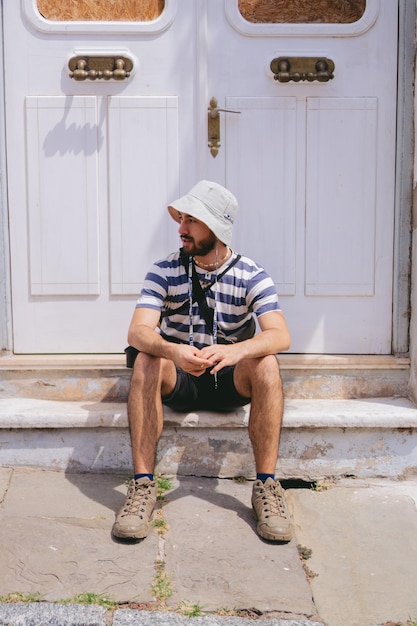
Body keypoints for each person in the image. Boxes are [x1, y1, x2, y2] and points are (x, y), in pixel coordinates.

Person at [112, 180, 292, 543]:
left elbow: (280, 335)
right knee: (146, 358)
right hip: (179, 375)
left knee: (267, 361)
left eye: (191, 221)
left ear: (216, 227)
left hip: (228, 378)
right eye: (181, 220)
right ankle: (144, 484)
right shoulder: (164, 270)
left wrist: (236, 351)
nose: (180, 229)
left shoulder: (251, 274)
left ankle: (267, 487)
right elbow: (138, 332)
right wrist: (172, 350)